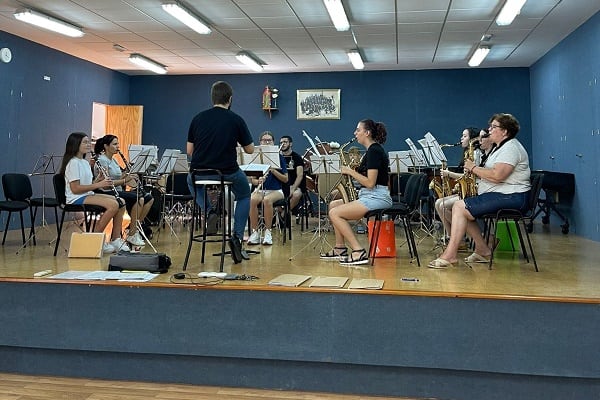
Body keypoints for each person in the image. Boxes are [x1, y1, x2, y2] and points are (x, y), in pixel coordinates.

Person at [429, 113, 531, 268]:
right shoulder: (500, 148)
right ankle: (482, 249)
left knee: (460, 207)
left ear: (505, 131)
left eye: (493, 127)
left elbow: (498, 176)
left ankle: (450, 255)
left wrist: (474, 168)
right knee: (462, 207)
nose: (489, 130)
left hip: (512, 197)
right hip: (501, 194)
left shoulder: (511, 148)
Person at [186, 80, 254, 258]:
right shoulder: (236, 119)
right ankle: (237, 238)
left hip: (199, 173)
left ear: (212, 98)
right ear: (230, 99)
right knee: (245, 194)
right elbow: (250, 149)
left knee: (190, 181)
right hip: (227, 172)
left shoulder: (197, 118)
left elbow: (189, 151)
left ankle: (210, 210)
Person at [320, 119, 393, 265]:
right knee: (334, 205)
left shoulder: (374, 151)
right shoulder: (370, 152)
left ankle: (358, 251)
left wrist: (350, 172)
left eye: (358, 130)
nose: (355, 133)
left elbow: (370, 183)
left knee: (335, 214)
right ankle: (340, 248)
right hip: (369, 195)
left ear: (367, 133)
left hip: (377, 196)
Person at [59, 132, 130, 254]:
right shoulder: (73, 163)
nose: (88, 145)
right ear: (76, 144)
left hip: (86, 194)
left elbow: (87, 183)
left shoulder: (85, 162)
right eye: (85, 142)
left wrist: (98, 180)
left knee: (121, 202)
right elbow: (75, 189)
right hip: (75, 198)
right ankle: (95, 240)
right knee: (113, 205)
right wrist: (99, 185)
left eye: (88, 142)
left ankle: (115, 239)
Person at [93, 134, 154, 247]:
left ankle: (134, 229)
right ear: (106, 146)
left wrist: (128, 174)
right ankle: (132, 234)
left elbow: (119, 177)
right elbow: (107, 184)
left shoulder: (114, 160)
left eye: (118, 144)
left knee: (148, 198)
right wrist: (125, 181)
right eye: (115, 144)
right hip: (106, 192)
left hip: (118, 190)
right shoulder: (102, 160)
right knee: (138, 198)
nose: (118, 147)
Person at [433, 127, 480, 237]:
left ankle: (458, 237)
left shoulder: (475, 154)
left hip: (473, 192)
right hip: (465, 191)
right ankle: (452, 235)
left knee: (442, 205)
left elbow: (468, 177)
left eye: (464, 136)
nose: (461, 138)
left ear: (472, 139)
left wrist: (448, 174)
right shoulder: (467, 153)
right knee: (438, 203)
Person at [248, 131, 288, 245]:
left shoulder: (279, 157)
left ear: (273, 142)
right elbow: (253, 179)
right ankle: (255, 232)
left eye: (269, 140)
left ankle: (268, 232)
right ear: (260, 142)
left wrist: (273, 170)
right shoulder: (257, 157)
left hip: (276, 191)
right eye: (264, 140)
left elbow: (285, 179)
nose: (267, 142)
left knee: (267, 200)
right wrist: (258, 181)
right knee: (251, 200)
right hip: (261, 190)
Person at [279, 135, 306, 212]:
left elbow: (300, 175)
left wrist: (293, 188)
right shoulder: (277, 157)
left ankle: (284, 214)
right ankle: (280, 215)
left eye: (285, 142)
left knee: (296, 195)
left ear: (290, 144)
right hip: (281, 186)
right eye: (281, 142)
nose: (282, 144)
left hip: (294, 185)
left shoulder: (297, 157)